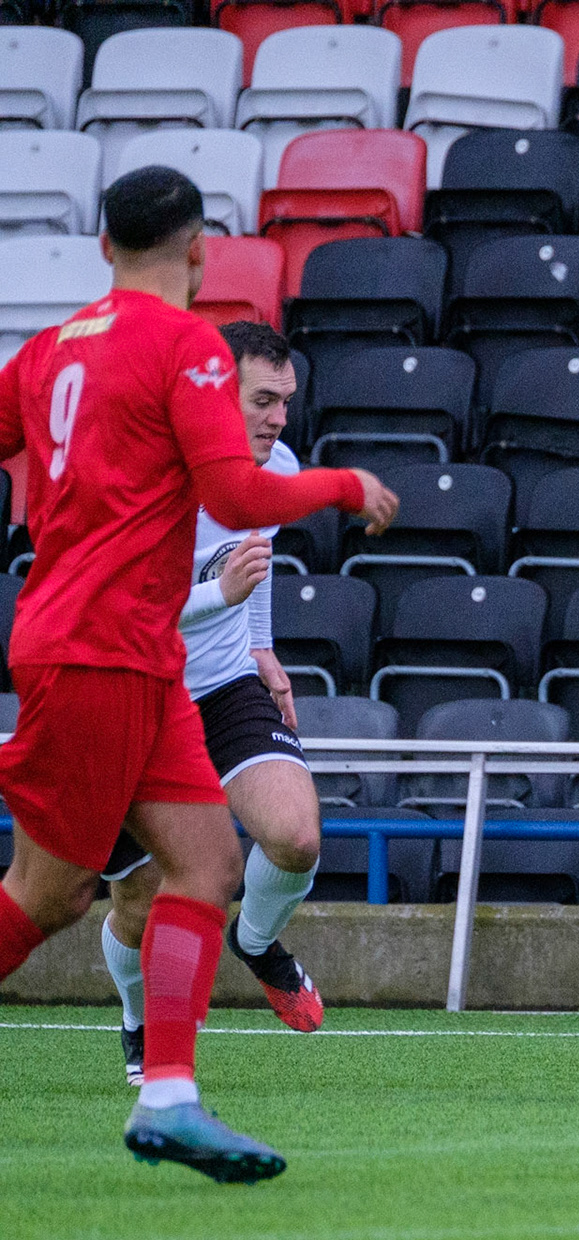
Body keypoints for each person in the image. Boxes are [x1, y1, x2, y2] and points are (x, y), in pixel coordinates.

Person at [0, 166, 398, 1183]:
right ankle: (164, 1081)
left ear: (103, 250)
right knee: (49, 895)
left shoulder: (46, 351)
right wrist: (343, 482)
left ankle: (168, 1096)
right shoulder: (187, 345)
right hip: (98, 646)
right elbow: (234, 486)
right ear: (198, 252)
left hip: (138, 654)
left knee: (209, 865)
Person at [102, 320, 330, 1091]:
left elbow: (254, 561)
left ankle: (258, 944)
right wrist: (216, 596)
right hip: (133, 691)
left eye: (285, 403)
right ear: (212, 398)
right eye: (263, 401)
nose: (278, 419)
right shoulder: (144, 477)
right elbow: (116, 613)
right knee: (138, 899)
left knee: (296, 836)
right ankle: (137, 1024)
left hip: (224, 684)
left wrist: (259, 643)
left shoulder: (277, 463)